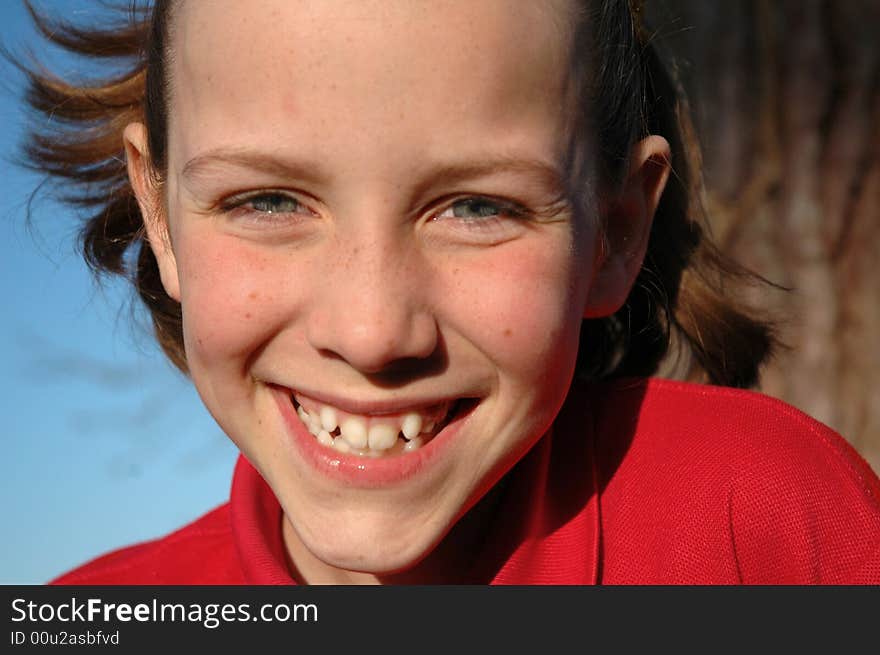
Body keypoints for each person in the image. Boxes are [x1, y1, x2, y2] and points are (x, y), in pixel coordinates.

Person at [17, 0, 880, 584]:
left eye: (476, 207)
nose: (370, 330)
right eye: (268, 200)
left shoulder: (761, 523)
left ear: (615, 233)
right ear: (159, 215)